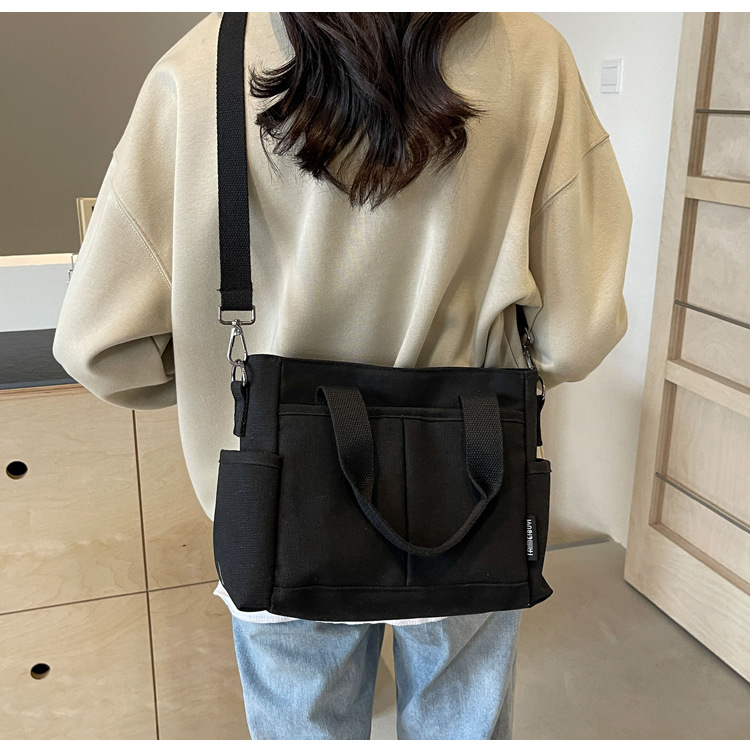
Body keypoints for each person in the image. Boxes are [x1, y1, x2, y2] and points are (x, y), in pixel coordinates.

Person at [52, 11, 632, 740]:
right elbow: (577, 335)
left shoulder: (204, 64)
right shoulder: (533, 56)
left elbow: (99, 347)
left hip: (280, 504)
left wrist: (218, 382)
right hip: (472, 484)